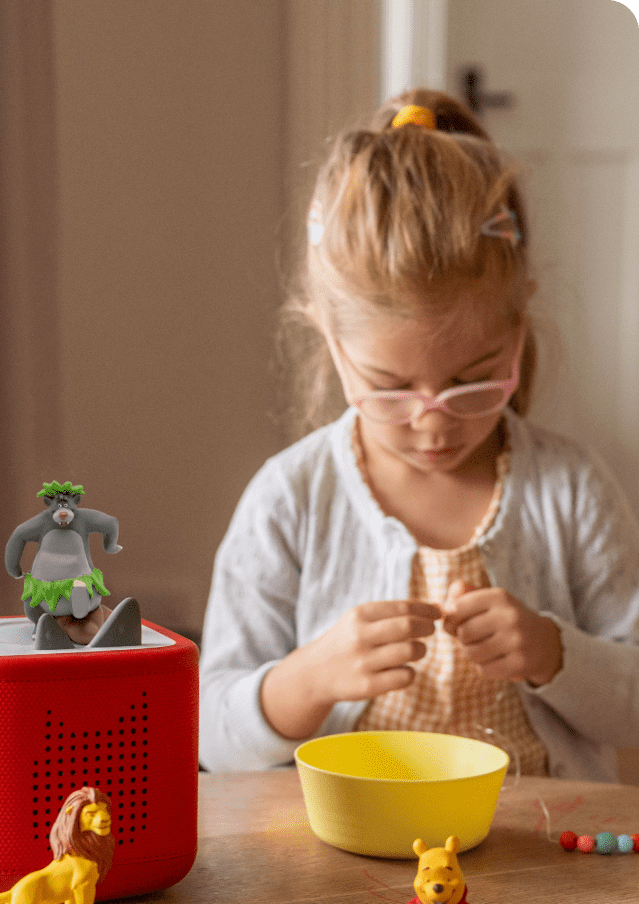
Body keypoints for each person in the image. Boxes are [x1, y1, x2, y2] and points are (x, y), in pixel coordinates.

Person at [198, 89, 639, 781]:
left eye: (473, 380)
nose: (433, 423)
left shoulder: (572, 489)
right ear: (332, 344)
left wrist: (556, 654)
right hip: (342, 868)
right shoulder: (291, 499)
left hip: (541, 858)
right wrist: (306, 681)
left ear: (518, 332)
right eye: (393, 388)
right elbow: (210, 735)